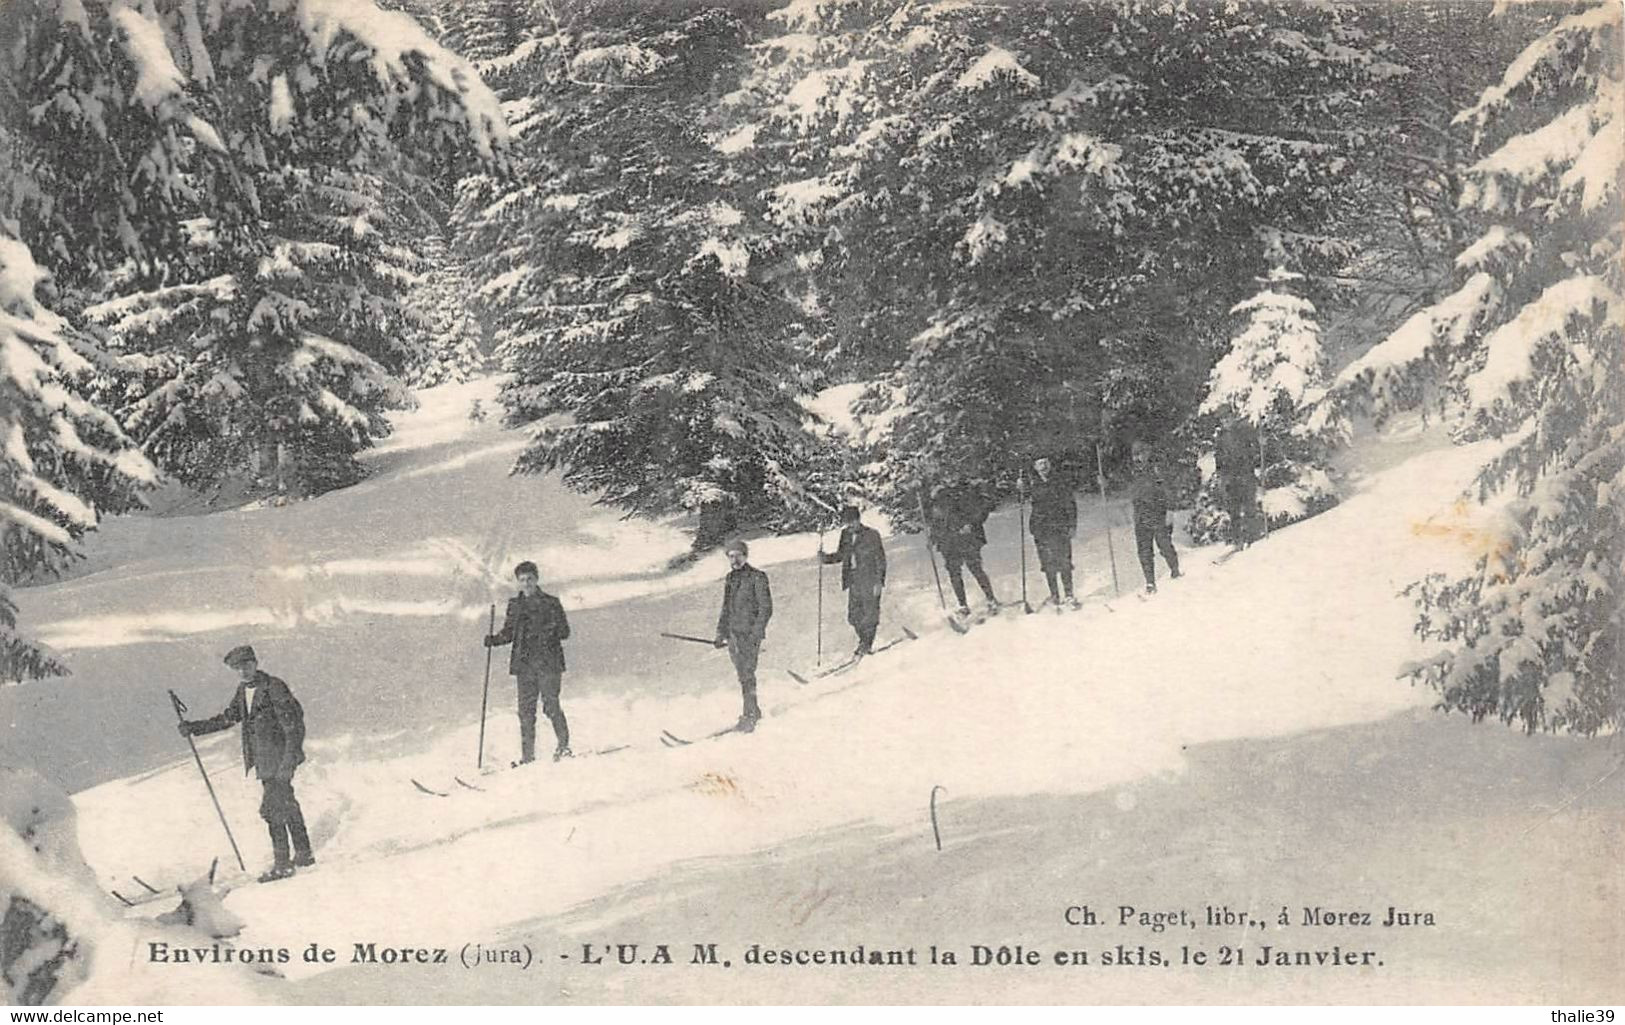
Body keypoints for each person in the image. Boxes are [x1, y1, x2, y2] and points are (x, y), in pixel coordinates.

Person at [177, 645, 311, 883]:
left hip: (280, 760)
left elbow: (294, 726)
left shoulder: (273, 687)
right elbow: (229, 717)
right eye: (237, 668)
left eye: (246, 665)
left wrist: (288, 762)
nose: (243, 671)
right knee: (286, 803)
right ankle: (303, 853)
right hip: (264, 760)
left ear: (256, 663)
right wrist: (194, 728)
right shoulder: (243, 690)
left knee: (272, 810)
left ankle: (282, 865)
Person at [485, 561, 572, 763]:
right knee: (525, 711)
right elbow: (508, 633)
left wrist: (549, 631)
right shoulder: (515, 606)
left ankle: (564, 746)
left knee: (550, 706)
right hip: (525, 666)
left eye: (530, 579)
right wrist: (493, 640)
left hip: (548, 664)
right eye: (522, 580)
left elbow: (565, 632)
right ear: (518, 582)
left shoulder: (551, 603)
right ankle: (527, 757)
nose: (526, 583)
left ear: (537, 579)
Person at [713, 539, 773, 732]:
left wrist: (756, 633)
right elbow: (726, 607)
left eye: (738, 555)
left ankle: (750, 715)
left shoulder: (757, 577)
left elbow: (766, 608)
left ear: (745, 556)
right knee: (743, 675)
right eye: (731, 556)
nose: (735, 559)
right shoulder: (730, 578)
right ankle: (753, 710)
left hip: (749, 635)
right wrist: (720, 633)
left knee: (747, 674)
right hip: (733, 635)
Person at [818, 505, 887, 656]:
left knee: (870, 613)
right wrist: (825, 558)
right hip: (853, 579)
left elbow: (880, 559)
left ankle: (866, 644)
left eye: (852, 522)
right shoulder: (845, 535)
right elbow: (842, 554)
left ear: (858, 520)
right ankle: (864, 640)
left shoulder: (872, 535)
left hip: (869, 578)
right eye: (847, 523)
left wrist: (879, 581)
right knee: (853, 616)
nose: (849, 526)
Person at [928, 484, 1000, 617]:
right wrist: (932, 539)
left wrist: (970, 525)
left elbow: (982, 510)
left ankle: (990, 599)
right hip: (948, 543)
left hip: (966, 539)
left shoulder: (962, 495)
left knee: (974, 569)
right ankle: (963, 605)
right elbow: (936, 523)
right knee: (956, 574)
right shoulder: (936, 503)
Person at [1130, 440, 1181, 594]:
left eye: (1141, 454)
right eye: (1135, 455)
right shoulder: (1132, 473)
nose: (1138, 458)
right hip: (1140, 515)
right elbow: (1122, 484)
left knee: (1164, 545)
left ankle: (1175, 570)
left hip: (1158, 513)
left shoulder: (1157, 470)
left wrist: (1170, 511)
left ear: (1147, 453)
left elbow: (1168, 491)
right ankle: (1150, 582)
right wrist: (1103, 482)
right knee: (1144, 550)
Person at [1027, 457, 1079, 609]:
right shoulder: (1033, 483)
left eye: (1045, 463)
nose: (1043, 467)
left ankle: (1069, 595)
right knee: (1047, 563)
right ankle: (1054, 595)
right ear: (1035, 467)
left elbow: (1070, 503)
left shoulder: (1060, 481)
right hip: (1041, 528)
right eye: (1039, 464)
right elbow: (1027, 501)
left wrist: (1072, 525)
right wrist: (1020, 489)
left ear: (1050, 465)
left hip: (1059, 526)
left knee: (1064, 561)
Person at [1214, 418, 1263, 549]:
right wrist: (1222, 477)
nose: (1226, 422)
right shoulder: (1221, 437)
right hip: (1231, 479)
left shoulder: (1243, 432)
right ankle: (1238, 540)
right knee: (1234, 511)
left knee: (1249, 507)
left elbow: (1255, 449)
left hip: (1245, 475)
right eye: (1224, 420)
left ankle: (1251, 536)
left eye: (1227, 419)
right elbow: (1218, 459)